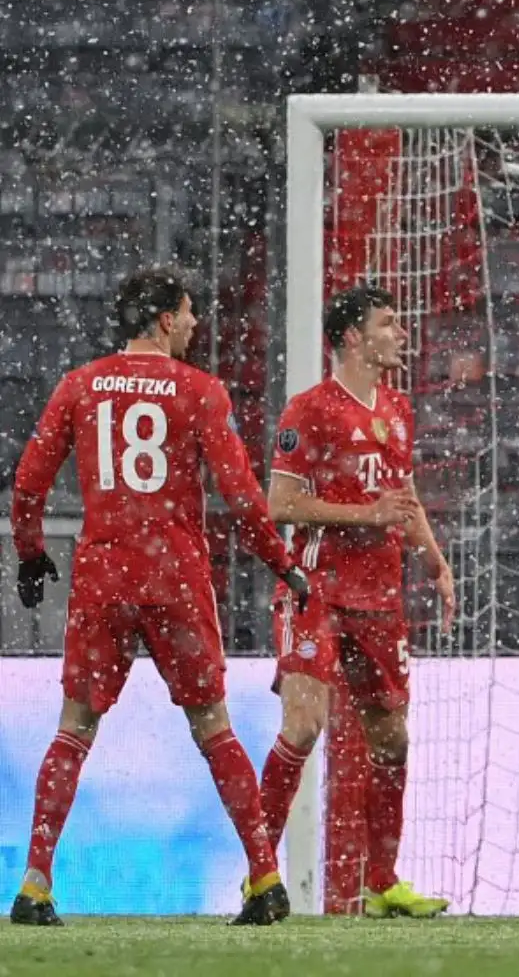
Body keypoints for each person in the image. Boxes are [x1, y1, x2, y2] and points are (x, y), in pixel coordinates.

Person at [9, 267, 310, 927]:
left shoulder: (79, 386)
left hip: (104, 573)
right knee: (214, 727)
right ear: (166, 320)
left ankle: (34, 885)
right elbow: (240, 494)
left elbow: (28, 484)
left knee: (74, 729)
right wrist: (282, 563)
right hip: (173, 575)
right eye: (191, 312)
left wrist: (31, 554)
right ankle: (264, 877)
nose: (199, 323)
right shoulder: (198, 391)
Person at [259, 285, 454, 918]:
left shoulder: (397, 407)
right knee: (304, 726)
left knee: (392, 738)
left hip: (380, 596)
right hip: (317, 588)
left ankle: (385, 881)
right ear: (352, 338)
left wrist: (434, 558)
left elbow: (403, 493)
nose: (401, 333)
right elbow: (281, 507)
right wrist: (363, 513)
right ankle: (260, 874)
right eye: (388, 324)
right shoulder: (309, 410)